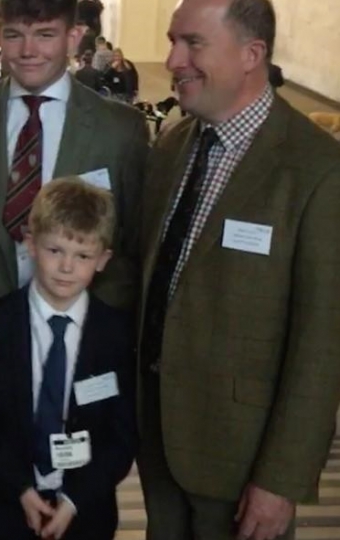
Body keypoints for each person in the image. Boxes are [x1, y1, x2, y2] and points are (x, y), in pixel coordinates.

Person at [0, 0, 149, 538]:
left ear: (74, 37)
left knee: (85, 481)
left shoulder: (120, 128)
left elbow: (133, 240)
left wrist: (101, 331)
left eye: (45, 34)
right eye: (16, 34)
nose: (29, 50)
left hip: (82, 345)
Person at [138, 1, 340, 540]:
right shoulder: (175, 143)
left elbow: (322, 346)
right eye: (172, 40)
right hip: (158, 443)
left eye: (192, 43)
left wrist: (282, 480)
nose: (173, 58)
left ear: (252, 54)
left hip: (241, 465)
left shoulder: (317, 170)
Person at [0, 178, 136, 540]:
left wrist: (74, 499)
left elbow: (124, 432)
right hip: (7, 506)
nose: (67, 267)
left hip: (86, 511)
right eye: (55, 250)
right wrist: (19, 488)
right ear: (31, 244)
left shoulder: (115, 333)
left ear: (102, 260)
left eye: (82, 256)